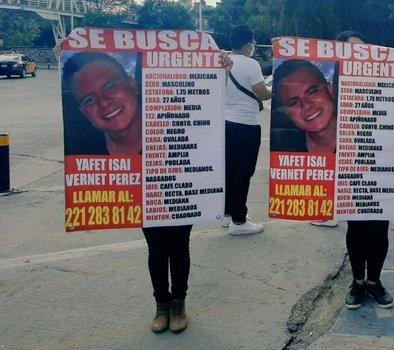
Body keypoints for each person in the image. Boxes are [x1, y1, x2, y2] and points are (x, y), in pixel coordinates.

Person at [60, 49, 231, 334]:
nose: (104, 103)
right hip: (143, 195)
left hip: (178, 185)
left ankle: (179, 303)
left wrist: (221, 70)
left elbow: (204, 98)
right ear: (82, 110)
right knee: (156, 248)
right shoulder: (88, 151)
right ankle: (161, 305)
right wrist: (64, 51)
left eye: (110, 86)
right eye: (89, 99)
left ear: (132, 82)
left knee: (178, 246)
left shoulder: (172, 119)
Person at [332, 30, 394, 310]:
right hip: (350, 161)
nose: (358, 55)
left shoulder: (388, 79)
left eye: (362, 48)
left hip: (382, 160)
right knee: (356, 227)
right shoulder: (333, 85)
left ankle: (374, 282)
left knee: (380, 227)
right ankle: (357, 282)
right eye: (351, 50)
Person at [223, 25, 272, 236]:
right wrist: (275, 88)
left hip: (224, 122)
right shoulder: (250, 64)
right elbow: (262, 93)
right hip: (245, 125)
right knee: (243, 172)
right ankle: (239, 221)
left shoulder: (223, 62)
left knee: (229, 170)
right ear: (248, 45)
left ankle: (228, 214)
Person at [271, 59, 337, 153]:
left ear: (330, 90)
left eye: (312, 92)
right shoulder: (283, 148)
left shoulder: (359, 139)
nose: (306, 105)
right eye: (294, 102)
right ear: (286, 112)